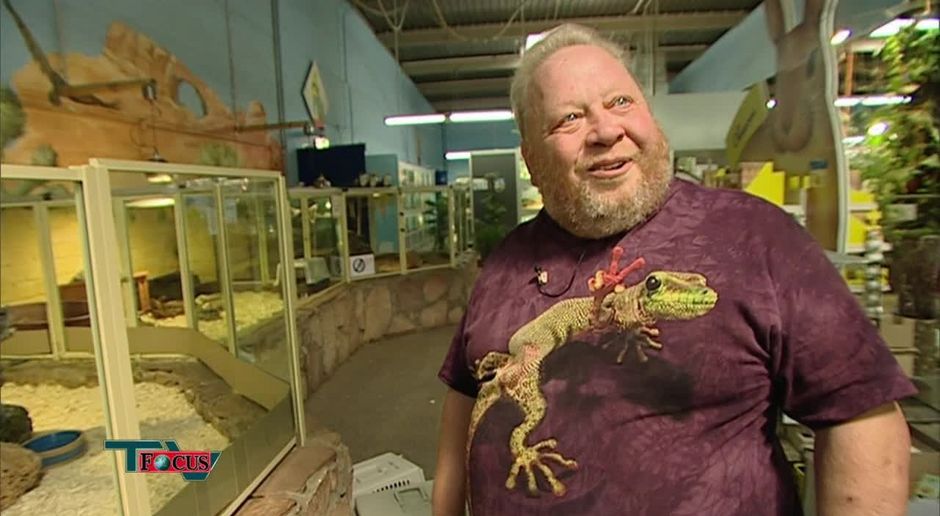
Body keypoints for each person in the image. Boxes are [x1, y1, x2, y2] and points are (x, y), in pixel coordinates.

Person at [431, 23, 916, 516]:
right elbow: (463, 410)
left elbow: (861, 413)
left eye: (621, 102)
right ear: (532, 160)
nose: (606, 131)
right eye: (570, 118)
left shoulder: (754, 236)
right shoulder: (505, 261)